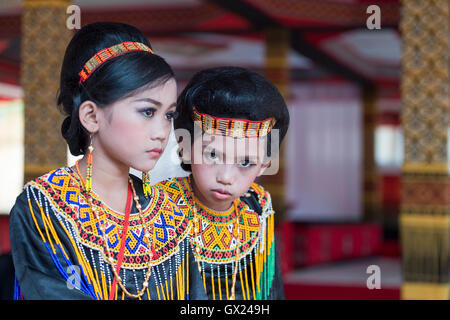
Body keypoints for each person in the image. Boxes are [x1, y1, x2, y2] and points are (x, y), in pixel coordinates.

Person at [9, 22, 205, 300]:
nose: (163, 132)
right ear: (91, 116)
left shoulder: (169, 211)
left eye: (169, 115)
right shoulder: (44, 206)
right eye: (148, 111)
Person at [156, 66, 289, 300]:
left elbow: (270, 293)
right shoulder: (159, 208)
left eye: (246, 162)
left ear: (265, 164)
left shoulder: (257, 208)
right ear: (184, 147)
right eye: (213, 156)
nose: (226, 177)